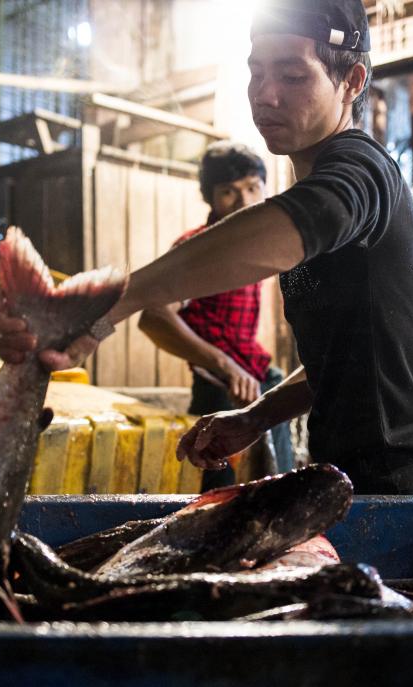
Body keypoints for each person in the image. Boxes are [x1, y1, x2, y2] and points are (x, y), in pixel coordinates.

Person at [0, 0, 413, 495]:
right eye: (257, 72)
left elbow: (301, 219)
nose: (266, 95)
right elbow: (346, 359)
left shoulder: (362, 168)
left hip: (399, 487)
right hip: (349, 484)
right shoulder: (324, 200)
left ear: (352, 81)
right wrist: (257, 417)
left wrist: (115, 301)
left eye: (293, 76)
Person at [138, 141, 294, 490]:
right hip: (218, 388)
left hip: (260, 380)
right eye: (228, 192)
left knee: (282, 488)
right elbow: (153, 317)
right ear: (209, 198)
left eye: (253, 188)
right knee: (218, 498)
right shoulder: (198, 247)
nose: (244, 201)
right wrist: (224, 365)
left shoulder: (262, 244)